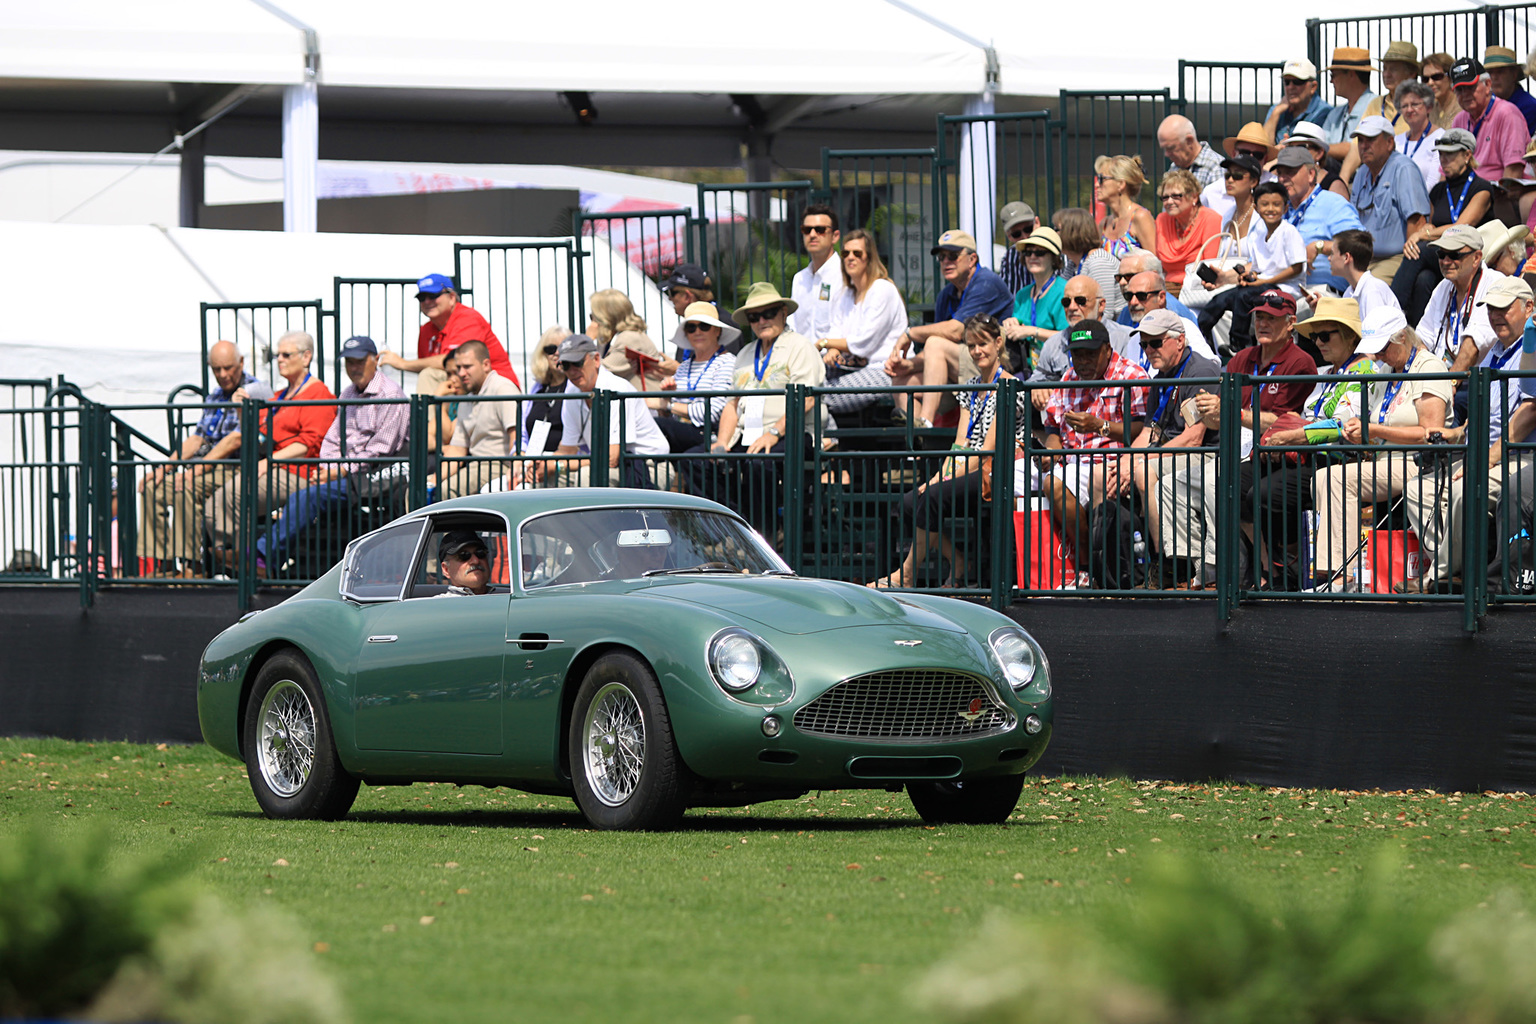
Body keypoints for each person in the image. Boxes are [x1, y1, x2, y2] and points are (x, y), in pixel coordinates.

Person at [1402, 276, 1536, 591]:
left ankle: (1440, 574)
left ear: (1529, 307)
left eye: (1504, 308)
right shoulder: (1495, 350)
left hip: (1517, 455)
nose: (1496, 315)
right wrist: (1458, 433)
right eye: (1491, 309)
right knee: (1417, 491)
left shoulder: (1531, 345)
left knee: (1464, 492)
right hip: (1480, 453)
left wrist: (1487, 459)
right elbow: (1486, 412)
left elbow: (1530, 411)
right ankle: (1455, 567)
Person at [868, 315, 1019, 590]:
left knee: (934, 496)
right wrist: (939, 475)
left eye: (982, 344)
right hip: (970, 466)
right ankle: (959, 561)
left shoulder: (1009, 385)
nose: (976, 351)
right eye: (971, 346)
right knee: (911, 501)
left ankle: (907, 573)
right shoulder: (971, 388)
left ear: (998, 343)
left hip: (997, 470)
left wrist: (942, 481)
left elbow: (988, 450)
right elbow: (960, 443)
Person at [1310, 309, 1451, 591]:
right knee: (1324, 477)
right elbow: (1375, 422)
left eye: (1384, 348)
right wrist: (1360, 429)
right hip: (1386, 460)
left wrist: (1374, 431)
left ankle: (1342, 576)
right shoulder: (1388, 370)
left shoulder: (1429, 367)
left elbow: (1431, 434)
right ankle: (1336, 572)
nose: (1380, 356)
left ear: (1402, 337)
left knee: (1337, 479)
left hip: (1420, 460)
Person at [1186, 291, 1319, 585]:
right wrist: (1208, 410)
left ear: (1291, 323)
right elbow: (1220, 417)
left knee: (1231, 484)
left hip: (1279, 454)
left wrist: (1232, 411)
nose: (1262, 323)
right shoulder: (1242, 358)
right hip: (1235, 447)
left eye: (1271, 318)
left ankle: (1243, 568)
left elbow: (1285, 422)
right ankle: (1251, 566)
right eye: (1259, 317)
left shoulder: (1301, 362)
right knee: (1192, 483)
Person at [1243, 297, 1373, 589]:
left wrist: (1291, 436)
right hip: (1304, 455)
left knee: (1262, 493)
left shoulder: (1364, 370)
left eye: (1326, 336)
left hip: (1336, 459)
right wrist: (1290, 428)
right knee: (1234, 484)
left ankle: (1291, 563)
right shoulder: (1330, 373)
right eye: (1315, 336)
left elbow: (1341, 427)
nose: (1319, 343)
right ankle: (1270, 570)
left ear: (1350, 336)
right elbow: (1305, 416)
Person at [253, 335, 409, 574]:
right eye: (349, 362)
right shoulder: (348, 393)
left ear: (375, 360)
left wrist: (341, 470)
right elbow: (332, 438)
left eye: (358, 361)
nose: (353, 368)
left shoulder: (390, 394)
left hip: (371, 477)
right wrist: (329, 468)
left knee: (306, 497)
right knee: (304, 495)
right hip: (345, 472)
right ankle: (261, 559)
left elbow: (381, 451)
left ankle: (262, 557)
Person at [692, 283, 824, 535]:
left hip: (792, 433)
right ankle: (730, 532)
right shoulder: (743, 354)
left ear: (783, 313)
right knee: (699, 461)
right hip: (748, 436)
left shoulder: (799, 346)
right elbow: (732, 404)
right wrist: (721, 442)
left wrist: (773, 433)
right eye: (754, 317)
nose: (761, 320)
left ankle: (765, 537)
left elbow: (805, 400)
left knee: (758, 462)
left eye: (769, 313)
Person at [137, 340, 269, 576]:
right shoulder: (215, 395)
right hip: (210, 466)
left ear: (241, 363)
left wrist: (196, 469)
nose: (223, 374)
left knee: (187, 487)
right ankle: (163, 564)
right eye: (216, 369)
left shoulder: (254, 390)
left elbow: (236, 439)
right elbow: (197, 438)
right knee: (153, 487)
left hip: (238, 467)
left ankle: (192, 565)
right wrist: (165, 468)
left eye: (228, 368)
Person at [1110, 309, 1222, 588]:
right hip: (1172, 453)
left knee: (1145, 472)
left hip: (1206, 455)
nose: (1149, 350)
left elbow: (1194, 438)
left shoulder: (1201, 370)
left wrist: (1139, 462)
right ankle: (1109, 571)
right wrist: (1125, 460)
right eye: (1144, 344)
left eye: (1156, 342)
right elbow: (1149, 431)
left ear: (1180, 341)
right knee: (1107, 473)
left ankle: (1170, 564)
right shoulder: (1161, 377)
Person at [208, 331, 336, 561]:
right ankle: (227, 557)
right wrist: (241, 410)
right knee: (215, 501)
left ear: (306, 357)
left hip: (300, 471)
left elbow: (308, 444)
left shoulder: (319, 394)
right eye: (278, 355)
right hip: (275, 467)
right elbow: (258, 435)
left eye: (287, 354)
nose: (280, 360)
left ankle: (245, 559)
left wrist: (268, 462)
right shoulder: (280, 395)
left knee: (235, 492)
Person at [1035, 319, 1150, 549]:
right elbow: (1053, 429)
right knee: (1004, 478)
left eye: (1090, 354)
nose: (1083, 361)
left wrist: (1099, 426)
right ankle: (1015, 569)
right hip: (1069, 460)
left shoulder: (1132, 376)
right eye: (1077, 355)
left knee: (1053, 485)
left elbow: (1140, 430)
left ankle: (1088, 559)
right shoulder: (1069, 378)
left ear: (1107, 350)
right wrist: (1051, 450)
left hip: (1108, 462)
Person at [884, 230, 1013, 428]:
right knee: (901, 380)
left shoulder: (987, 282)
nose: (946, 262)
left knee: (935, 343)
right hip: (962, 370)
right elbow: (937, 352)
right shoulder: (946, 294)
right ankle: (917, 449)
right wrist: (908, 365)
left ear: (972, 259)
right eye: (942, 257)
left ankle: (925, 423)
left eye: (953, 256)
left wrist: (910, 333)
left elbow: (955, 331)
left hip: (994, 367)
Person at [523, 334, 668, 490]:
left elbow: (610, 458)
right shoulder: (572, 391)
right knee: (539, 481)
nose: (572, 371)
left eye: (577, 363)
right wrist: (544, 465)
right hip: (615, 467)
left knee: (588, 476)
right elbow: (567, 451)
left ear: (597, 360)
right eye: (565, 365)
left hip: (648, 467)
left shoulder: (615, 388)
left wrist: (557, 466)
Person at [1394, 129, 1498, 320]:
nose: (1444, 159)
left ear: (1467, 155)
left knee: (1420, 249)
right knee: (1424, 279)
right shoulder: (1439, 190)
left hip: (1469, 254)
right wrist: (1425, 232)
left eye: (1450, 154)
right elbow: (1430, 227)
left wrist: (1422, 235)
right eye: (1441, 154)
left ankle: (1391, 312)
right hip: (1443, 254)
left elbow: (1461, 228)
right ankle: (1416, 333)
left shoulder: (1482, 187)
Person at [1197, 180, 1308, 354]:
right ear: (1256, 207)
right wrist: (1248, 276)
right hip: (1262, 284)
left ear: (1285, 208)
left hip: (1285, 288)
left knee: (1243, 295)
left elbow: (1297, 268)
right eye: (1265, 204)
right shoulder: (1257, 232)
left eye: (1276, 205)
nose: (1271, 209)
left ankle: (1239, 345)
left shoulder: (1289, 231)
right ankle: (1203, 341)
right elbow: (1256, 265)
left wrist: (1263, 281)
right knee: (1219, 300)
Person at [379, 273, 519, 391]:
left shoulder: (467, 318)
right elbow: (429, 365)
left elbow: (451, 362)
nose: (427, 302)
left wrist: (403, 363)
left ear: (452, 298)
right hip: (463, 390)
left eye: (433, 296)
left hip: (496, 390)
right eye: (422, 298)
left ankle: (427, 423)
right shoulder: (427, 330)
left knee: (429, 375)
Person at [816, 229, 903, 416]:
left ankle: (830, 442)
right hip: (850, 366)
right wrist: (832, 349)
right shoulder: (846, 293)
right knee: (803, 382)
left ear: (869, 258)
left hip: (884, 370)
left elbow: (862, 343)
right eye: (846, 253)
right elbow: (836, 331)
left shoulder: (882, 289)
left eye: (857, 253)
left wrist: (824, 343)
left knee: (820, 397)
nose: (850, 258)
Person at [1027, 276, 1142, 411]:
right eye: (1066, 302)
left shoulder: (1126, 338)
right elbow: (1036, 380)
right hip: (1065, 421)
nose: (1072, 307)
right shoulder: (1053, 344)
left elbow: (1136, 387)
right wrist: (1036, 389)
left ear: (1101, 305)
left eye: (1080, 301)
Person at [1349, 114, 1432, 283]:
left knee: (1366, 288)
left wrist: (1408, 268)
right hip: (1364, 259)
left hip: (1395, 258)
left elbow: (1417, 222)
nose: (1364, 146)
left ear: (1389, 143)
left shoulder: (1404, 169)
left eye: (1370, 140)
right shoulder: (1362, 173)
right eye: (1361, 141)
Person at [434, 340, 520, 499]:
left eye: (467, 367)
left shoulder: (502, 389)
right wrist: (433, 480)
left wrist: (515, 467)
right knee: (416, 491)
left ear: (486, 365)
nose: (461, 373)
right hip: (474, 466)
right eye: (459, 368)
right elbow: (457, 450)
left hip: (499, 465)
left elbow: (516, 436)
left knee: (447, 490)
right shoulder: (467, 399)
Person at [1416, 222, 1507, 370]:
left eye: (1454, 255)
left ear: (1477, 258)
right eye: (1441, 254)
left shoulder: (1495, 283)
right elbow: (1422, 339)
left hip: (1477, 383)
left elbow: (1473, 345)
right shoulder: (1443, 286)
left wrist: (1449, 383)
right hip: (1441, 377)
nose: (1446, 261)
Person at [1273, 147, 1363, 296]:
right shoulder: (1278, 211)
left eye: (1290, 171)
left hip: (1320, 293)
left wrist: (1319, 246)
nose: (1283, 178)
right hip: (1282, 289)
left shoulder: (1333, 204)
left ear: (1310, 174)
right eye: (1280, 173)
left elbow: (1360, 246)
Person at [658, 302, 737, 451]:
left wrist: (667, 405)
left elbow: (713, 413)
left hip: (710, 434)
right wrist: (667, 398)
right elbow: (669, 416)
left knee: (657, 426)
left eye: (704, 326)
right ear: (687, 334)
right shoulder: (684, 367)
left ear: (717, 331)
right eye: (691, 328)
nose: (698, 332)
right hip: (682, 433)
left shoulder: (727, 362)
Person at [1450, 57, 1529, 185]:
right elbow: (1447, 169)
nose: (1465, 94)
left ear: (1487, 85)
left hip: (1497, 195)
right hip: (1466, 192)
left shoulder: (1507, 114)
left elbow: (1513, 171)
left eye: (1470, 87)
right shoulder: (1460, 120)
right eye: (1459, 90)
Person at [1001, 226, 1067, 374]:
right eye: (1028, 252)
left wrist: (1031, 331)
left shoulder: (1064, 291)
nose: (1032, 257)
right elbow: (1018, 327)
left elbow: (1068, 335)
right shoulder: (1022, 294)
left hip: (1056, 369)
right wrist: (1011, 323)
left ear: (1054, 258)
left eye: (1039, 253)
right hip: (1026, 368)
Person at [1121, 270, 1219, 364]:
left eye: (1141, 296)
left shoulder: (1183, 327)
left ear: (1161, 297)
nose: (1133, 302)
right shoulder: (1134, 339)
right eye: (1128, 296)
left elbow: (1209, 366)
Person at [588, 288, 665, 400]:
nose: (592, 322)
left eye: (593, 317)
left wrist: (588, 340)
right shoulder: (609, 339)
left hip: (647, 407)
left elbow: (596, 372)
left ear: (605, 317)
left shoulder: (630, 338)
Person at [1154, 168, 1221, 289]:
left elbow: (1211, 266)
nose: (1169, 201)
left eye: (1176, 196)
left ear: (1194, 197)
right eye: (1165, 197)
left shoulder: (1210, 219)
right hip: (1167, 289)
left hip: (1198, 290)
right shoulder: (1162, 220)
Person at [790, 204, 846, 344]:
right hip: (802, 361)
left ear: (835, 236)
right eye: (807, 230)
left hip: (834, 360)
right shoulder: (799, 279)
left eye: (820, 230)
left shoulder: (845, 275)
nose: (813, 235)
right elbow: (793, 324)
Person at [661, 262, 741, 359]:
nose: (670, 298)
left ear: (687, 296)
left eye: (671, 293)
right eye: (691, 328)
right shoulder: (690, 321)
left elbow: (731, 370)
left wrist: (676, 368)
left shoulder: (723, 322)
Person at [1204, 123, 1279, 224]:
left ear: (1265, 159)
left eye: (1257, 155)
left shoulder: (1277, 186)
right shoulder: (1211, 192)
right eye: (1245, 153)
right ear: (1234, 154)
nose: (1250, 158)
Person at [1053, 207, 1121, 314]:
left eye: (1056, 229)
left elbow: (1105, 313)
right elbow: (1057, 296)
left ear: (1072, 232)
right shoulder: (1072, 265)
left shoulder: (1098, 262)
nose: (1053, 234)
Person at [1327, 228, 1402, 319]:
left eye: (1332, 253)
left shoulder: (1373, 290)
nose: (1329, 258)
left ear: (1346, 257)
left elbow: (1373, 332)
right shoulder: (1349, 292)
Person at [1319, 47, 1379, 162]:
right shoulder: (1335, 113)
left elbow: (1356, 148)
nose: (1331, 81)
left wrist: (1319, 149)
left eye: (1333, 75)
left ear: (1351, 75)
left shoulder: (1376, 107)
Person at [1095, 155, 1157, 259]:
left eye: (1101, 179)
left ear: (1121, 184)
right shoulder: (1104, 224)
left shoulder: (1140, 217)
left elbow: (1155, 264)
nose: (1097, 184)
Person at [521, 326, 571, 455]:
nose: (557, 353)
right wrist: (520, 454)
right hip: (532, 459)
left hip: (563, 462)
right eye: (551, 349)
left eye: (563, 348)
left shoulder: (575, 387)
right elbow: (522, 431)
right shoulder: (538, 388)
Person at [1393, 79, 1447, 192]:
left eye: (1415, 104)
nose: (1409, 110)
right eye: (1404, 106)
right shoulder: (1396, 141)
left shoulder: (1440, 138)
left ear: (1429, 107)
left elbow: (1434, 183)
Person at [1360, 41, 1423, 135]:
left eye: (1393, 69)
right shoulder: (1375, 104)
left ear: (1411, 74)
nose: (1386, 74)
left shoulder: (1424, 105)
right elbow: (1357, 144)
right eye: (1384, 68)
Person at [1265, 58, 1331, 143]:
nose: (1290, 87)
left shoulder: (1323, 112)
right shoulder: (1276, 110)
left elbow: (1314, 150)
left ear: (1313, 87)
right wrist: (1275, 114)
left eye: (1298, 82)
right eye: (1287, 82)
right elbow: (1262, 149)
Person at [1281, 122, 1352, 197]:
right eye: (1290, 148)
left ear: (1319, 153)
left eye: (1301, 147)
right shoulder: (1286, 181)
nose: (1294, 153)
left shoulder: (1334, 185)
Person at [1157, 114, 1224, 188]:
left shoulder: (1215, 167)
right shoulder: (1174, 167)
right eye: (1164, 149)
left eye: (1171, 148)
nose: (1166, 154)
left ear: (1189, 141)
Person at [1485, 46, 1536, 134]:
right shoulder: (1482, 104)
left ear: (1514, 75)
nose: (1494, 77)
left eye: (1500, 72)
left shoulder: (1528, 106)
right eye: (1490, 72)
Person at [996, 201, 1039, 295]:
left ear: (1037, 223)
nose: (1025, 237)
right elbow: (1005, 295)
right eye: (1016, 234)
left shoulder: (1055, 248)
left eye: (1028, 229)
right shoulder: (1010, 256)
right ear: (1009, 236)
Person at [432, 530, 492, 597]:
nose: (475, 561)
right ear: (446, 569)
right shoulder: (437, 605)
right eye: (463, 555)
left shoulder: (503, 600)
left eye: (480, 553)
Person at [1420, 52, 1462, 130]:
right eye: (1425, 79)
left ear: (1450, 77)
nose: (1430, 83)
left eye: (1437, 77)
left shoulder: (1463, 106)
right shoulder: (1429, 110)